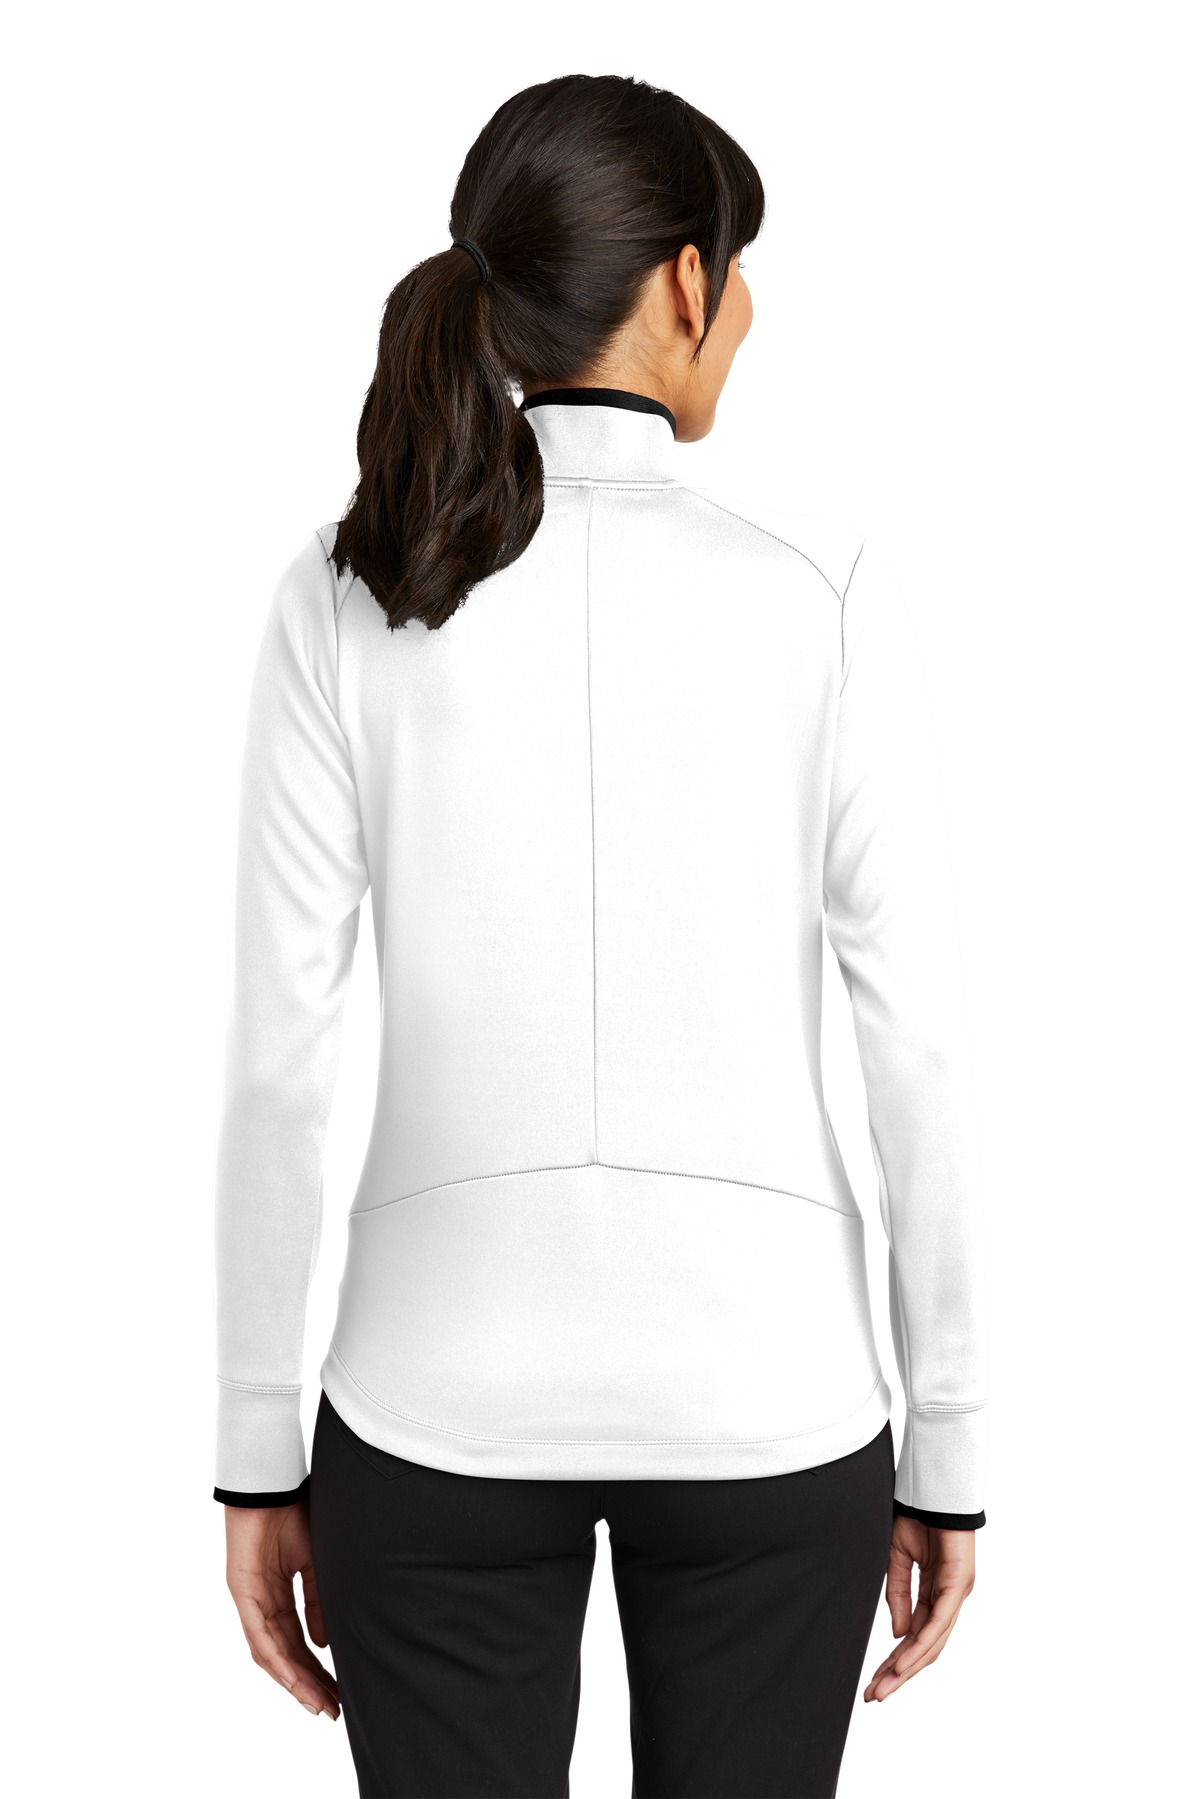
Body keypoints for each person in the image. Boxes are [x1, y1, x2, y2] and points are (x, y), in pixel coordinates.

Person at [212, 71, 988, 1799]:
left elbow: (278, 1061)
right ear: (687, 284)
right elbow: (922, 1048)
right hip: (770, 1396)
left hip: (429, 1396)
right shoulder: (814, 588)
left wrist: (256, 1451)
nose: (749, 315)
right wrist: (950, 1439)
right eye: (743, 273)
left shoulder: (351, 586)